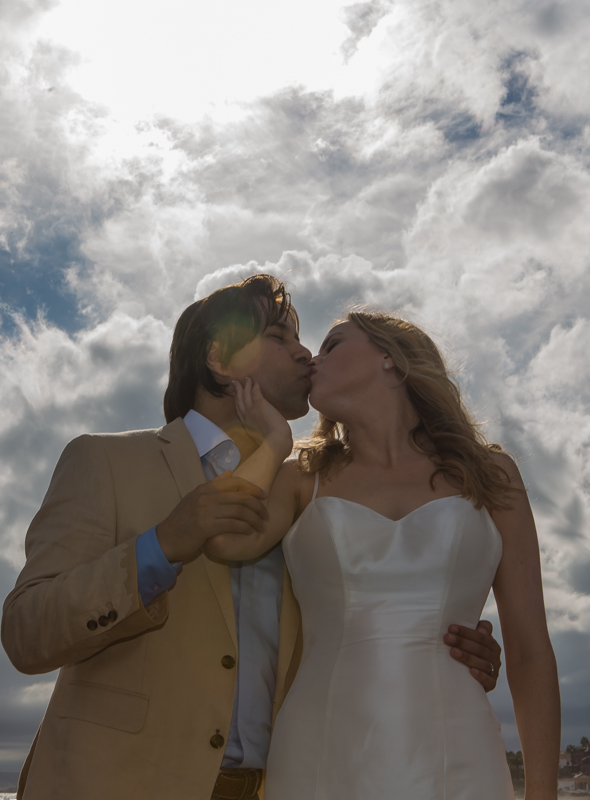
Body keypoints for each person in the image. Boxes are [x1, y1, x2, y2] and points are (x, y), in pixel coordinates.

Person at [0, 275, 504, 800]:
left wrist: (443, 648)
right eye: (280, 337)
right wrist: (163, 544)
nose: (304, 352)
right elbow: (27, 632)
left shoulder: (309, 491)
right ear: (221, 359)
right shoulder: (105, 462)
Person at [206, 310, 560, 800]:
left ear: (390, 360)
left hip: (461, 754)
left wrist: (542, 794)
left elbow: (529, 651)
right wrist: (274, 442)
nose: (312, 357)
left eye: (332, 345)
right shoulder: (299, 477)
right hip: (319, 751)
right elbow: (223, 539)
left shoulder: (491, 474)